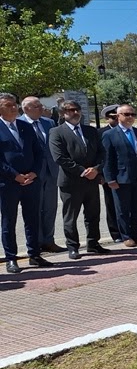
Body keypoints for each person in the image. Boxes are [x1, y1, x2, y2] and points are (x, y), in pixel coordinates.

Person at [47, 100, 110, 259]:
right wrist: (82, 171)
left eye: (77, 109)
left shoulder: (90, 131)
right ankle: (73, 246)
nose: (75, 113)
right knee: (71, 216)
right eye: (71, 110)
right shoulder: (56, 132)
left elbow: (102, 153)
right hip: (71, 182)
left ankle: (93, 244)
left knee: (93, 214)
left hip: (92, 180)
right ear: (63, 114)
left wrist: (96, 169)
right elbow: (59, 158)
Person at [1, 92, 53, 273]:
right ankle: (11, 258)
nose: (13, 108)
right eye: (8, 105)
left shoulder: (25, 126)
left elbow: (39, 152)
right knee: (9, 221)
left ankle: (34, 254)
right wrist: (14, 175)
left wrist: (34, 173)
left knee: (32, 219)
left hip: (31, 181)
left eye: (14, 104)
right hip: (8, 183)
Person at [101, 105, 137, 248]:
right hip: (121, 178)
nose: (130, 117)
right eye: (126, 114)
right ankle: (126, 236)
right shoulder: (109, 135)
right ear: (118, 116)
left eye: (132, 114)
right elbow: (107, 159)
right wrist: (110, 179)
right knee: (122, 210)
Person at [18, 97, 63, 253]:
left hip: (51, 171)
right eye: (36, 106)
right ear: (26, 109)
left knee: (50, 208)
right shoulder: (19, 124)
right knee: (34, 209)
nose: (41, 108)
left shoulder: (48, 123)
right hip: (32, 173)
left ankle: (49, 240)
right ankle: (35, 242)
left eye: (40, 105)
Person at [97, 106, 122, 242]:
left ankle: (128, 231)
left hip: (124, 173)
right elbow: (99, 156)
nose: (117, 119)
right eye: (114, 117)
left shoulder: (126, 131)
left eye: (118, 116)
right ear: (107, 118)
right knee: (111, 204)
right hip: (109, 174)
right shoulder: (101, 133)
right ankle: (116, 233)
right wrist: (101, 175)